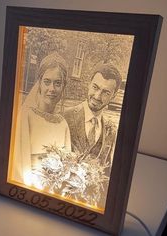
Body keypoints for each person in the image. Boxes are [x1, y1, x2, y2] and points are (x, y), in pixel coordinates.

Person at [64, 63, 122, 209]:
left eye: (105, 92)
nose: (97, 96)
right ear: (89, 84)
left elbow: (106, 171)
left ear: (113, 96)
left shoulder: (111, 131)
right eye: (95, 87)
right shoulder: (65, 117)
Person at [12, 52, 71, 185]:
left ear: (63, 87)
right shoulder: (26, 116)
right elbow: (19, 165)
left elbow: (67, 166)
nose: (52, 89)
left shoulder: (63, 124)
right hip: (31, 186)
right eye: (47, 82)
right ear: (39, 83)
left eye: (57, 83)